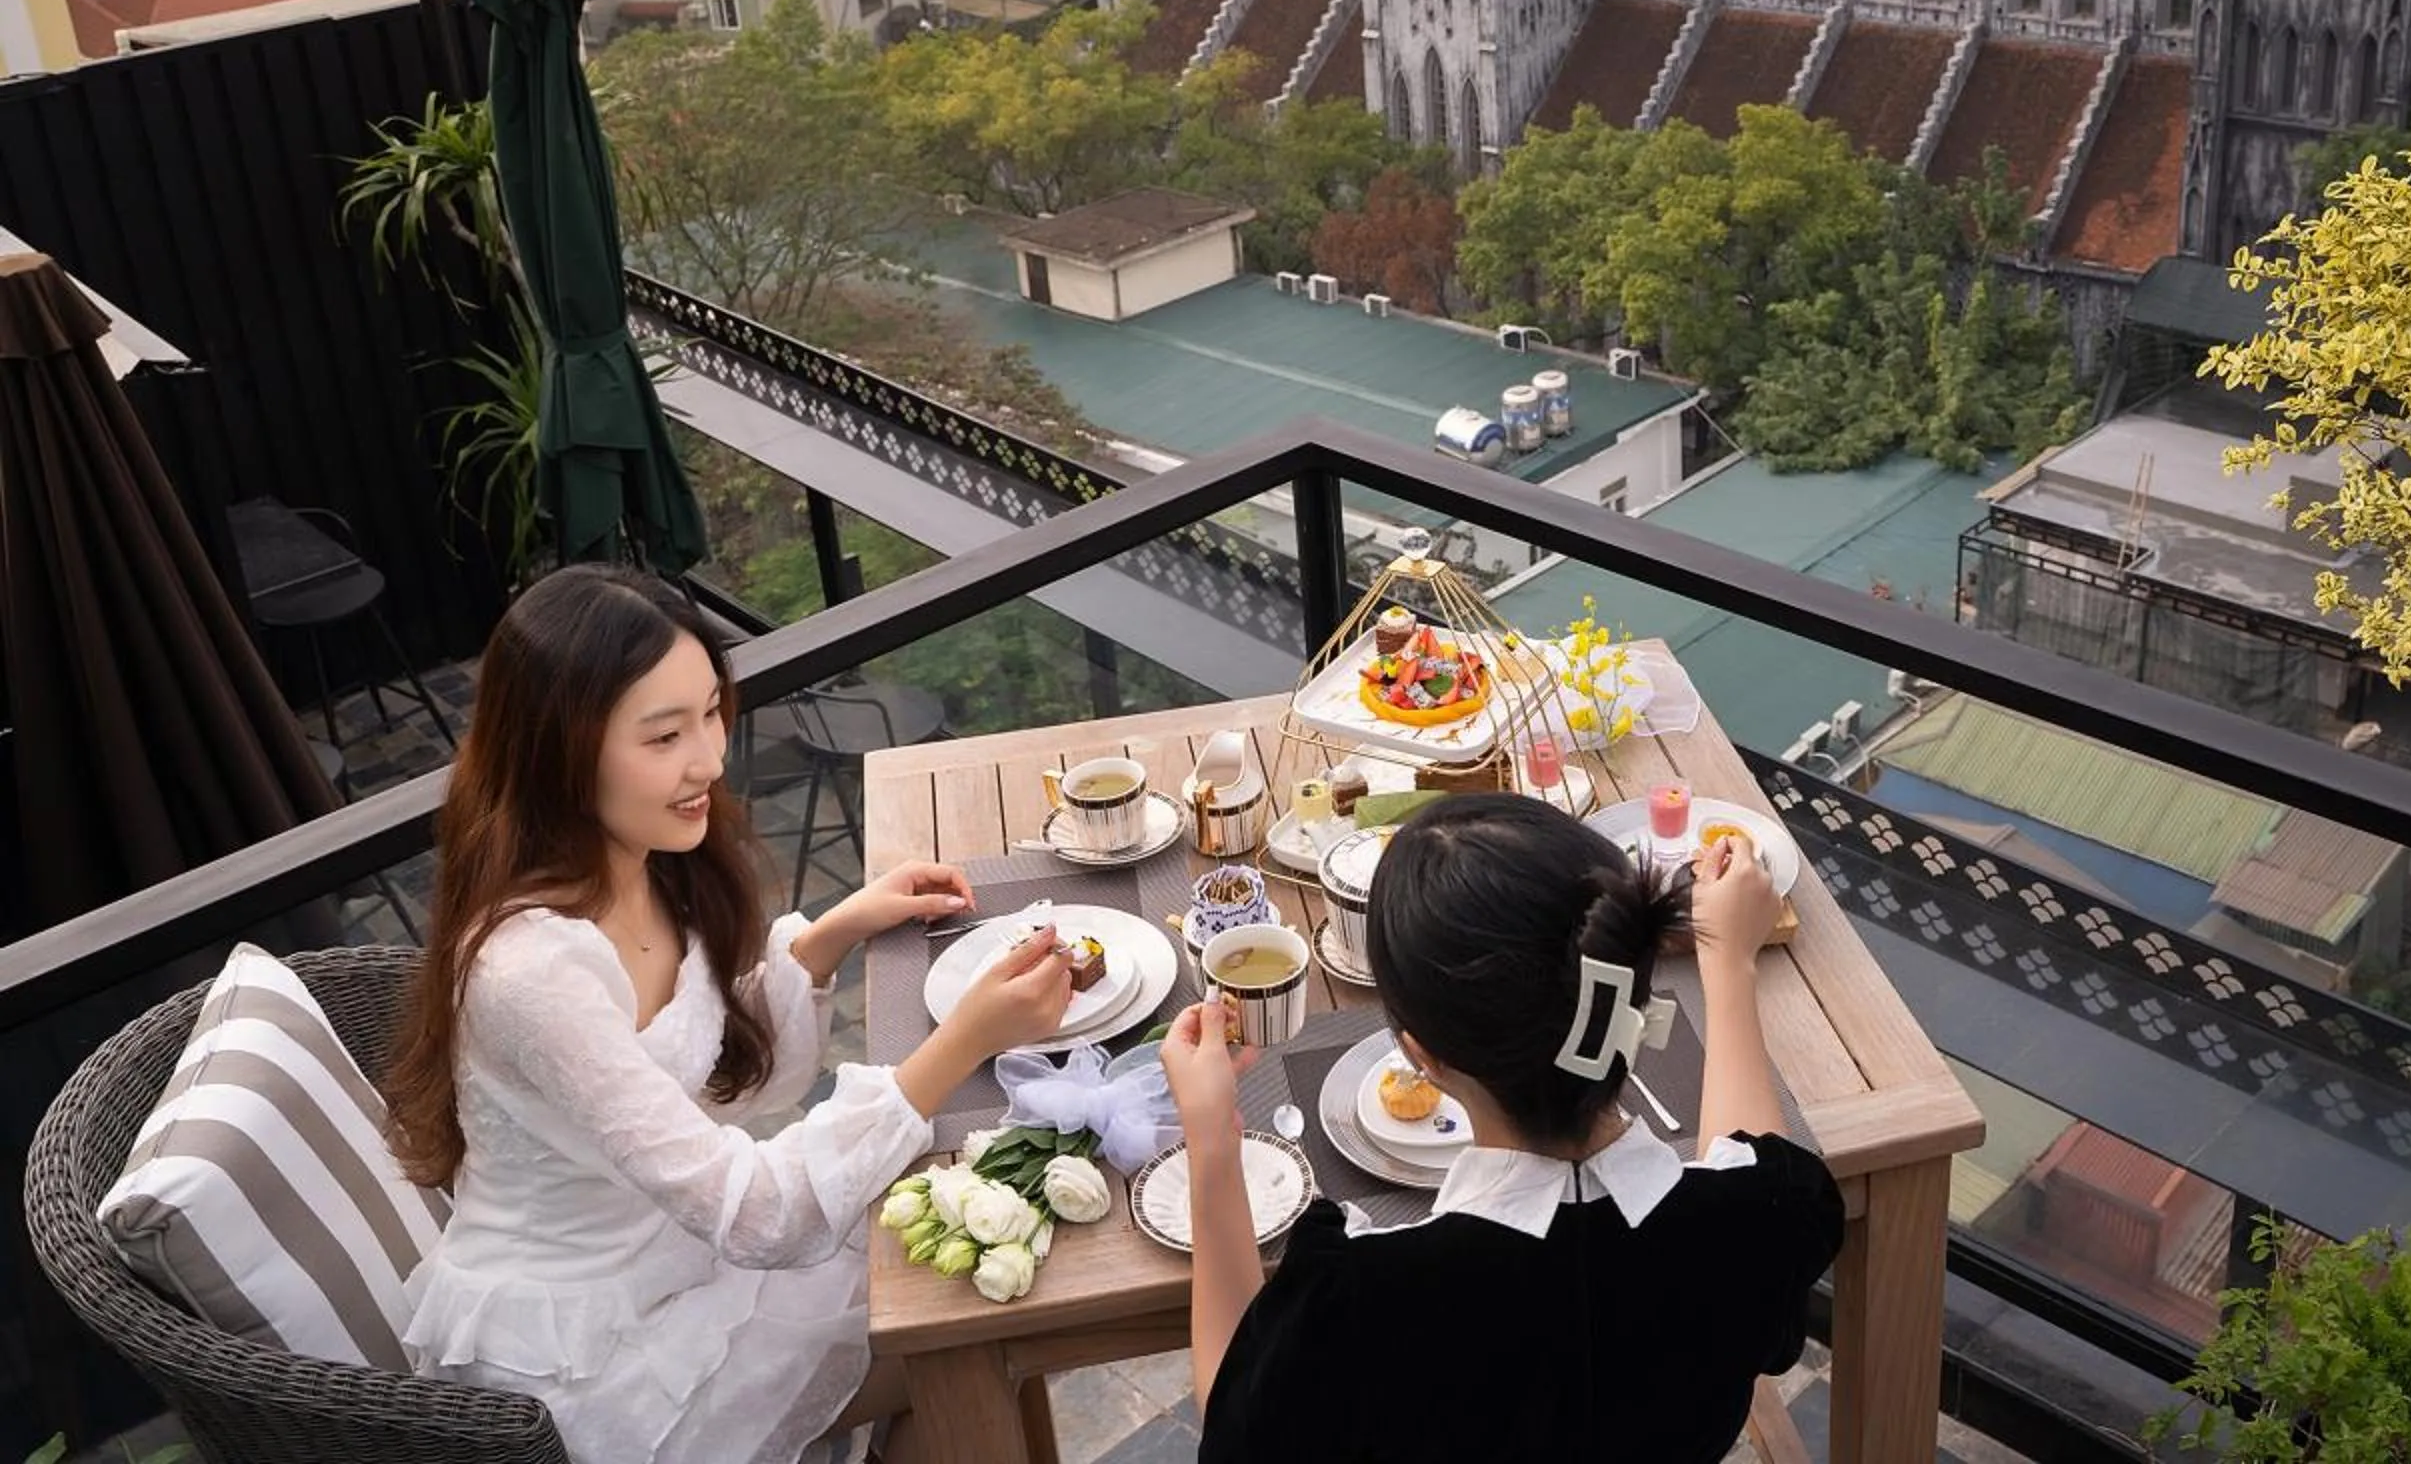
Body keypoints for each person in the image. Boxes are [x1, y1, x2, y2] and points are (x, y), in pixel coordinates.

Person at [383, 565, 1074, 1464]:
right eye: (664, 735)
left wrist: (833, 934)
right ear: (560, 750)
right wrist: (964, 1041)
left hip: (681, 1265)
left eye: (712, 713)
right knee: (965, 1323)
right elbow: (761, 1217)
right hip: (592, 1364)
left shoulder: (642, 861)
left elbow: (719, 1076)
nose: (708, 759)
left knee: (964, 1306)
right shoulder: (530, 973)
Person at [1160, 792, 1844, 1463]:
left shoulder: (1362, 1300)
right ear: (1630, 990)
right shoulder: (1763, 1219)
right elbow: (1751, 1164)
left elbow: (1239, 1420)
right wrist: (1729, 962)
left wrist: (1212, 1142)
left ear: (1419, 1056)